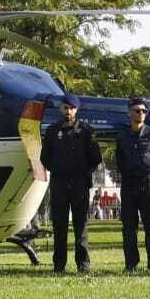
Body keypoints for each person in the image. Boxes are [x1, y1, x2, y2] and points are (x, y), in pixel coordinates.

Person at [41, 93, 100, 273]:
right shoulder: (52, 131)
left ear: (77, 109)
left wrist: (81, 170)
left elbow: (95, 157)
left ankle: (83, 265)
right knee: (59, 225)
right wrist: (59, 168)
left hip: (79, 183)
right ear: (61, 108)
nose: (68, 111)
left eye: (72, 108)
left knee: (80, 226)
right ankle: (59, 265)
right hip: (59, 182)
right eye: (65, 108)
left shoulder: (87, 131)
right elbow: (45, 158)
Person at [113, 96, 150, 274]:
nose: (141, 113)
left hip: (148, 183)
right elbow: (119, 161)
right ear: (129, 113)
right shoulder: (122, 136)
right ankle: (131, 264)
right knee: (129, 226)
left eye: (144, 111)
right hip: (128, 185)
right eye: (137, 110)